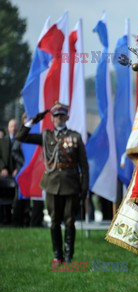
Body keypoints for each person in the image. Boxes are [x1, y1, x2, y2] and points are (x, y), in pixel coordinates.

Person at [16, 103, 89, 263]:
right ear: (52, 118)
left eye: (62, 115)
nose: (59, 118)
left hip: (71, 184)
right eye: (56, 116)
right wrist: (32, 122)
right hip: (51, 183)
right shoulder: (45, 136)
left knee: (70, 220)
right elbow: (20, 137)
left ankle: (69, 255)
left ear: (67, 117)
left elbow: (84, 165)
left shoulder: (75, 137)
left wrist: (84, 186)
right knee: (54, 220)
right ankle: (58, 255)